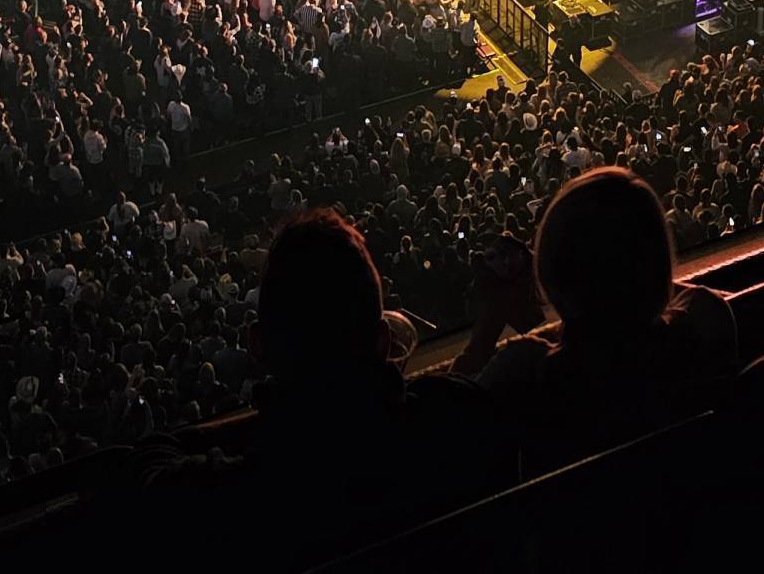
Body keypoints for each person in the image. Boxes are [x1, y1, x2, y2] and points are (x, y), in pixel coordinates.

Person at [134, 209, 512, 557]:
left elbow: (147, 466)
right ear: (384, 343)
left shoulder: (234, 500)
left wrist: (260, 419)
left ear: (258, 346)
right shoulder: (461, 422)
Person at [456, 167, 738, 471]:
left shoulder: (525, 368)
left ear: (552, 276)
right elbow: (658, 297)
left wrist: (490, 319)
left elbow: (451, 423)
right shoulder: (705, 318)